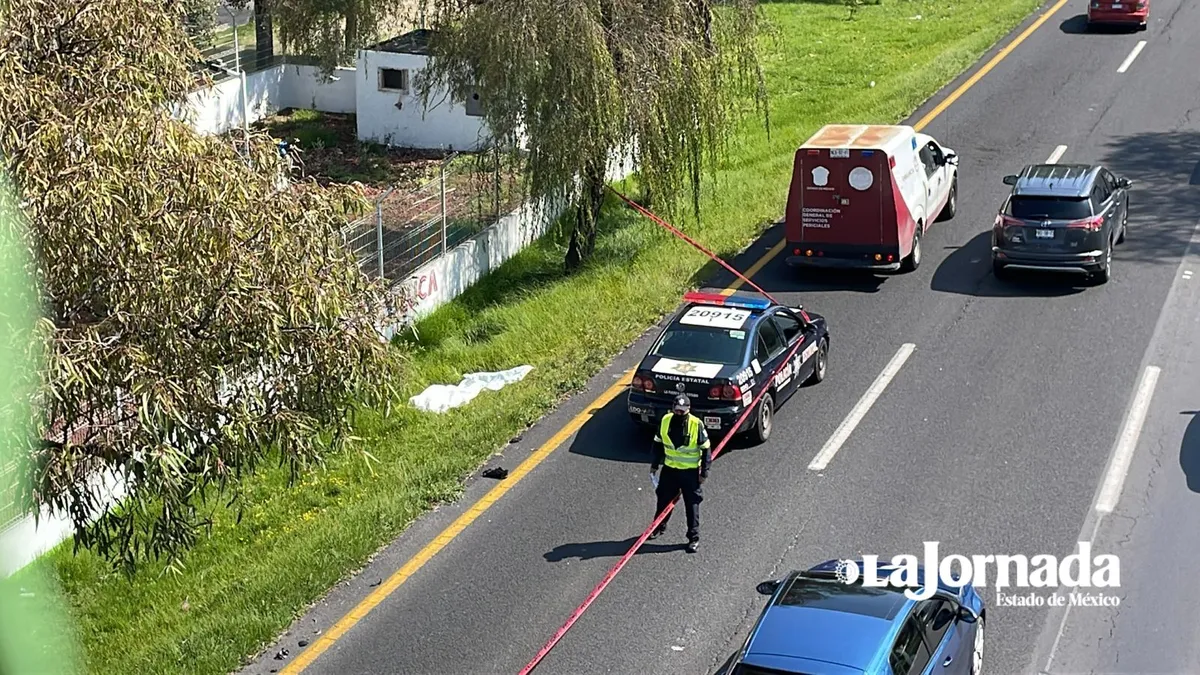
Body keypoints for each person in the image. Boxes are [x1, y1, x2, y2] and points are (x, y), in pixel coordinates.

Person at [649, 393, 712, 553]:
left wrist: (704, 472)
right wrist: (655, 464)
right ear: (672, 409)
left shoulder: (695, 424)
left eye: (682, 411)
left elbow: (706, 449)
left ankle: (693, 538)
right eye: (677, 411)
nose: (679, 414)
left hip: (690, 473)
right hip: (670, 470)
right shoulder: (665, 421)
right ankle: (658, 527)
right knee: (663, 501)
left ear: (688, 410)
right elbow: (657, 443)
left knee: (692, 505)